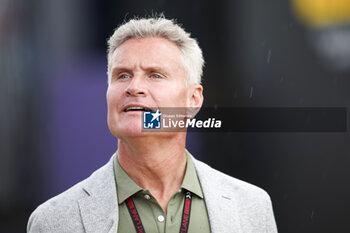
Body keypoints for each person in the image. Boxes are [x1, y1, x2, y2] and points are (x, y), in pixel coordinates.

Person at [27, 16, 278, 233]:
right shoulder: (53, 221)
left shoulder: (252, 207)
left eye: (155, 75)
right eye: (122, 75)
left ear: (193, 100)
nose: (134, 87)